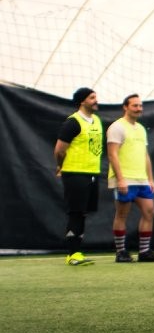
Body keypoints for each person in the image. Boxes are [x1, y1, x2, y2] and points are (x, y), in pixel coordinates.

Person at [106, 94, 154, 263]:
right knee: (122, 214)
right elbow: (112, 154)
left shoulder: (141, 129)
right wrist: (120, 179)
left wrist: (150, 179)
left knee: (149, 211)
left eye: (140, 106)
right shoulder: (117, 127)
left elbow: (145, 155)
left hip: (141, 179)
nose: (139, 109)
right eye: (135, 106)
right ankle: (121, 252)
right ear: (125, 107)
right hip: (125, 178)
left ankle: (144, 252)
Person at [54, 87, 104, 266]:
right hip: (75, 173)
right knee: (75, 212)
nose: (96, 100)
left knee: (83, 213)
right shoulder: (73, 122)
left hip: (92, 173)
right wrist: (61, 166)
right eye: (92, 97)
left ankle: (77, 251)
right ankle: (72, 254)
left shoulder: (97, 120)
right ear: (82, 101)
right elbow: (59, 150)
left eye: (95, 97)